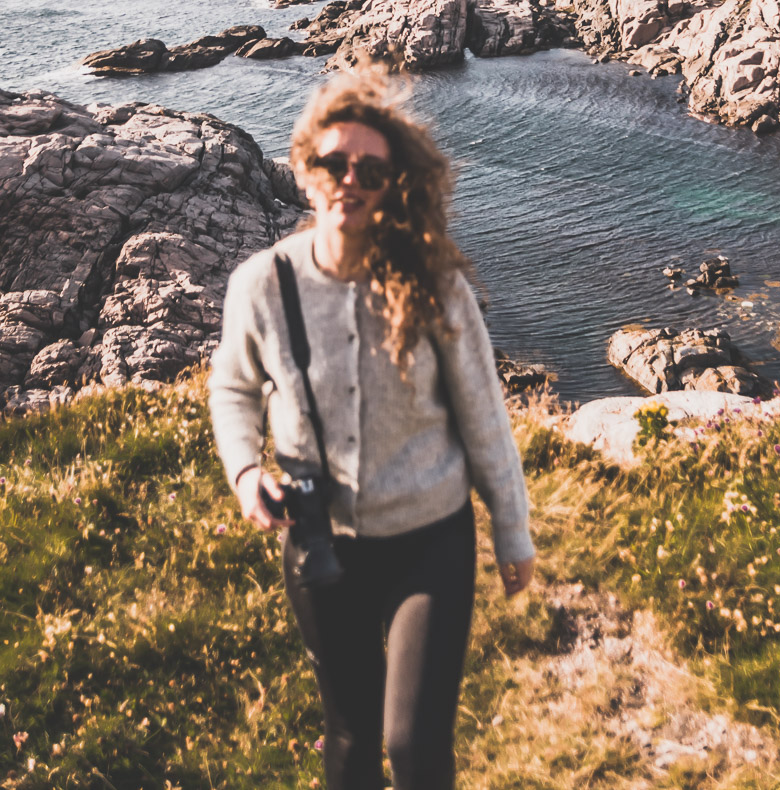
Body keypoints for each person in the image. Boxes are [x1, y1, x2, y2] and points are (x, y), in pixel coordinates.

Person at [207, 63, 535, 790]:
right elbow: (231, 387)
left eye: (370, 170)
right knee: (351, 740)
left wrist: (512, 533)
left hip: (431, 539)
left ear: (393, 186)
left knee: (414, 747)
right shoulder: (261, 284)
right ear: (301, 169)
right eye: (331, 163)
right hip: (322, 543)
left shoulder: (435, 284)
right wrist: (243, 470)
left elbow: (484, 416)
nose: (348, 181)